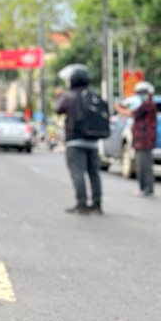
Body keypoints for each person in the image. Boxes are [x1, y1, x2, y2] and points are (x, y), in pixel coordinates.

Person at [54, 64, 103, 214]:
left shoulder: (69, 96)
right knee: (94, 173)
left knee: (78, 172)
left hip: (74, 141)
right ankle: (96, 205)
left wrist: (59, 95)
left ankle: (81, 204)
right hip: (93, 141)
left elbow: (57, 109)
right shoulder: (94, 95)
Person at [114, 80, 157, 198]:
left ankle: (145, 189)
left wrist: (118, 108)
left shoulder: (148, 104)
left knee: (143, 166)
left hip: (144, 140)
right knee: (146, 165)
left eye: (141, 93)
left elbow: (132, 113)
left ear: (148, 93)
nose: (139, 95)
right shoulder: (146, 104)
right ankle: (148, 188)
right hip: (142, 140)